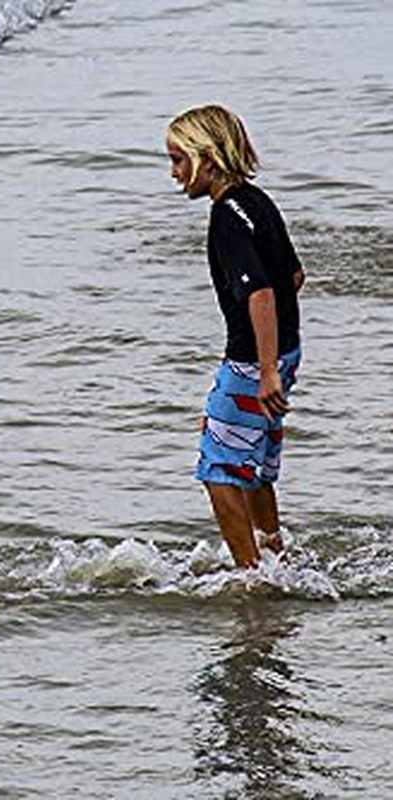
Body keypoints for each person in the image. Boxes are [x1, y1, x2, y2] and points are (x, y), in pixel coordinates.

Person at [165, 105, 306, 569]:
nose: (174, 173)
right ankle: (273, 558)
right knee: (255, 468)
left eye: (178, 160)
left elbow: (262, 293)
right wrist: (278, 360)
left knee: (219, 469)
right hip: (284, 351)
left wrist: (264, 371)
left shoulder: (227, 216)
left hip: (253, 362)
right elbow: (295, 276)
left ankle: (251, 576)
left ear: (207, 158)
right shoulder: (257, 201)